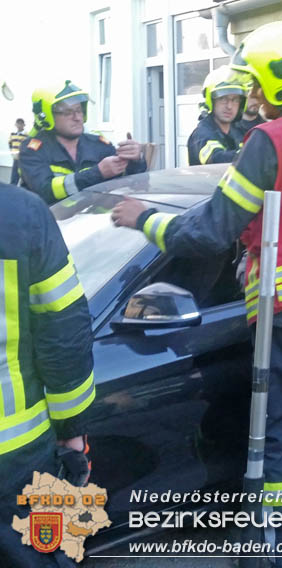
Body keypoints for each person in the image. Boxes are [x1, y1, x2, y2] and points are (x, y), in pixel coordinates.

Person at [111, 20, 282, 567]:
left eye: (259, 85)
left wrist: (145, 219)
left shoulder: (271, 139)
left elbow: (212, 228)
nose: (254, 98)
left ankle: (281, 556)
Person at [0, 82, 96, 568]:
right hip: (14, 452)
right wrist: (72, 430)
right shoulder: (19, 214)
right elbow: (64, 332)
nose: (76, 114)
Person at [18, 81, 146, 205]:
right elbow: (45, 190)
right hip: (52, 223)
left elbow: (132, 185)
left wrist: (136, 161)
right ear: (46, 116)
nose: (77, 118)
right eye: (68, 112)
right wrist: (98, 173)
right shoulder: (31, 151)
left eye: (79, 110)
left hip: (95, 223)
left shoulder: (99, 144)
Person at [187, 66, 248, 166]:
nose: (229, 106)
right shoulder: (201, 133)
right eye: (223, 99)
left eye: (235, 100)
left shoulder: (239, 131)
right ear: (211, 101)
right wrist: (250, 154)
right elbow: (216, 159)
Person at [8, 118, 27, 185]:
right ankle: (13, 190)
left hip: (23, 159)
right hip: (15, 158)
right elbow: (10, 143)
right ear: (15, 124)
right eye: (18, 123)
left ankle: (24, 190)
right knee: (14, 176)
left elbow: (28, 146)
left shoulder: (27, 135)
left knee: (24, 175)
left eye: (21, 123)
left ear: (24, 125)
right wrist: (12, 152)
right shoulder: (12, 134)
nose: (19, 125)